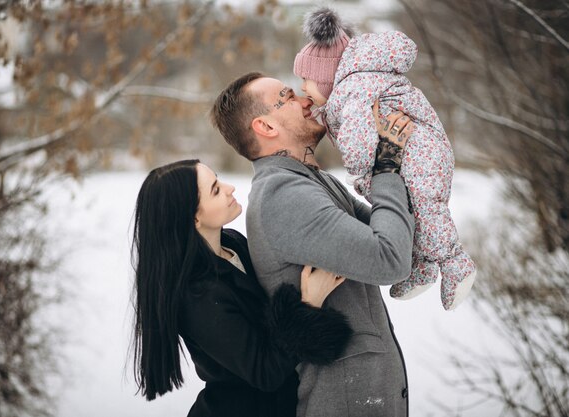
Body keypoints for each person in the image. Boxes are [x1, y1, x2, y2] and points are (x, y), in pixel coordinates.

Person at [210, 72, 414, 417]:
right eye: (288, 96)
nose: (307, 100)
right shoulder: (283, 196)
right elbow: (390, 259)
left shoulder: (311, 181)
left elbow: (398, 235)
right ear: (266, 127)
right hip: (346, 403)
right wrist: (387, 167)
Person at [130, 159, 353, 417]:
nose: (230, 188)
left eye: (218, 178)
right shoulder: (198, 297)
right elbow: (265, 372)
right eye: (215, 189)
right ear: (193, 219)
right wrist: (308, 305)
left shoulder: (232, 243)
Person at [293, 7, 476, 310]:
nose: (302, 87)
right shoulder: (346, 93)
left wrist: (359, 169)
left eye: (307, 79)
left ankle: (455, 263)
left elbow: (357, 136)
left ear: (327, 77)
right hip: (410, 152)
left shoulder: (353, 90)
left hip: (420, 151)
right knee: (411, 212)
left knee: (427, 209)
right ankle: (423, 268)